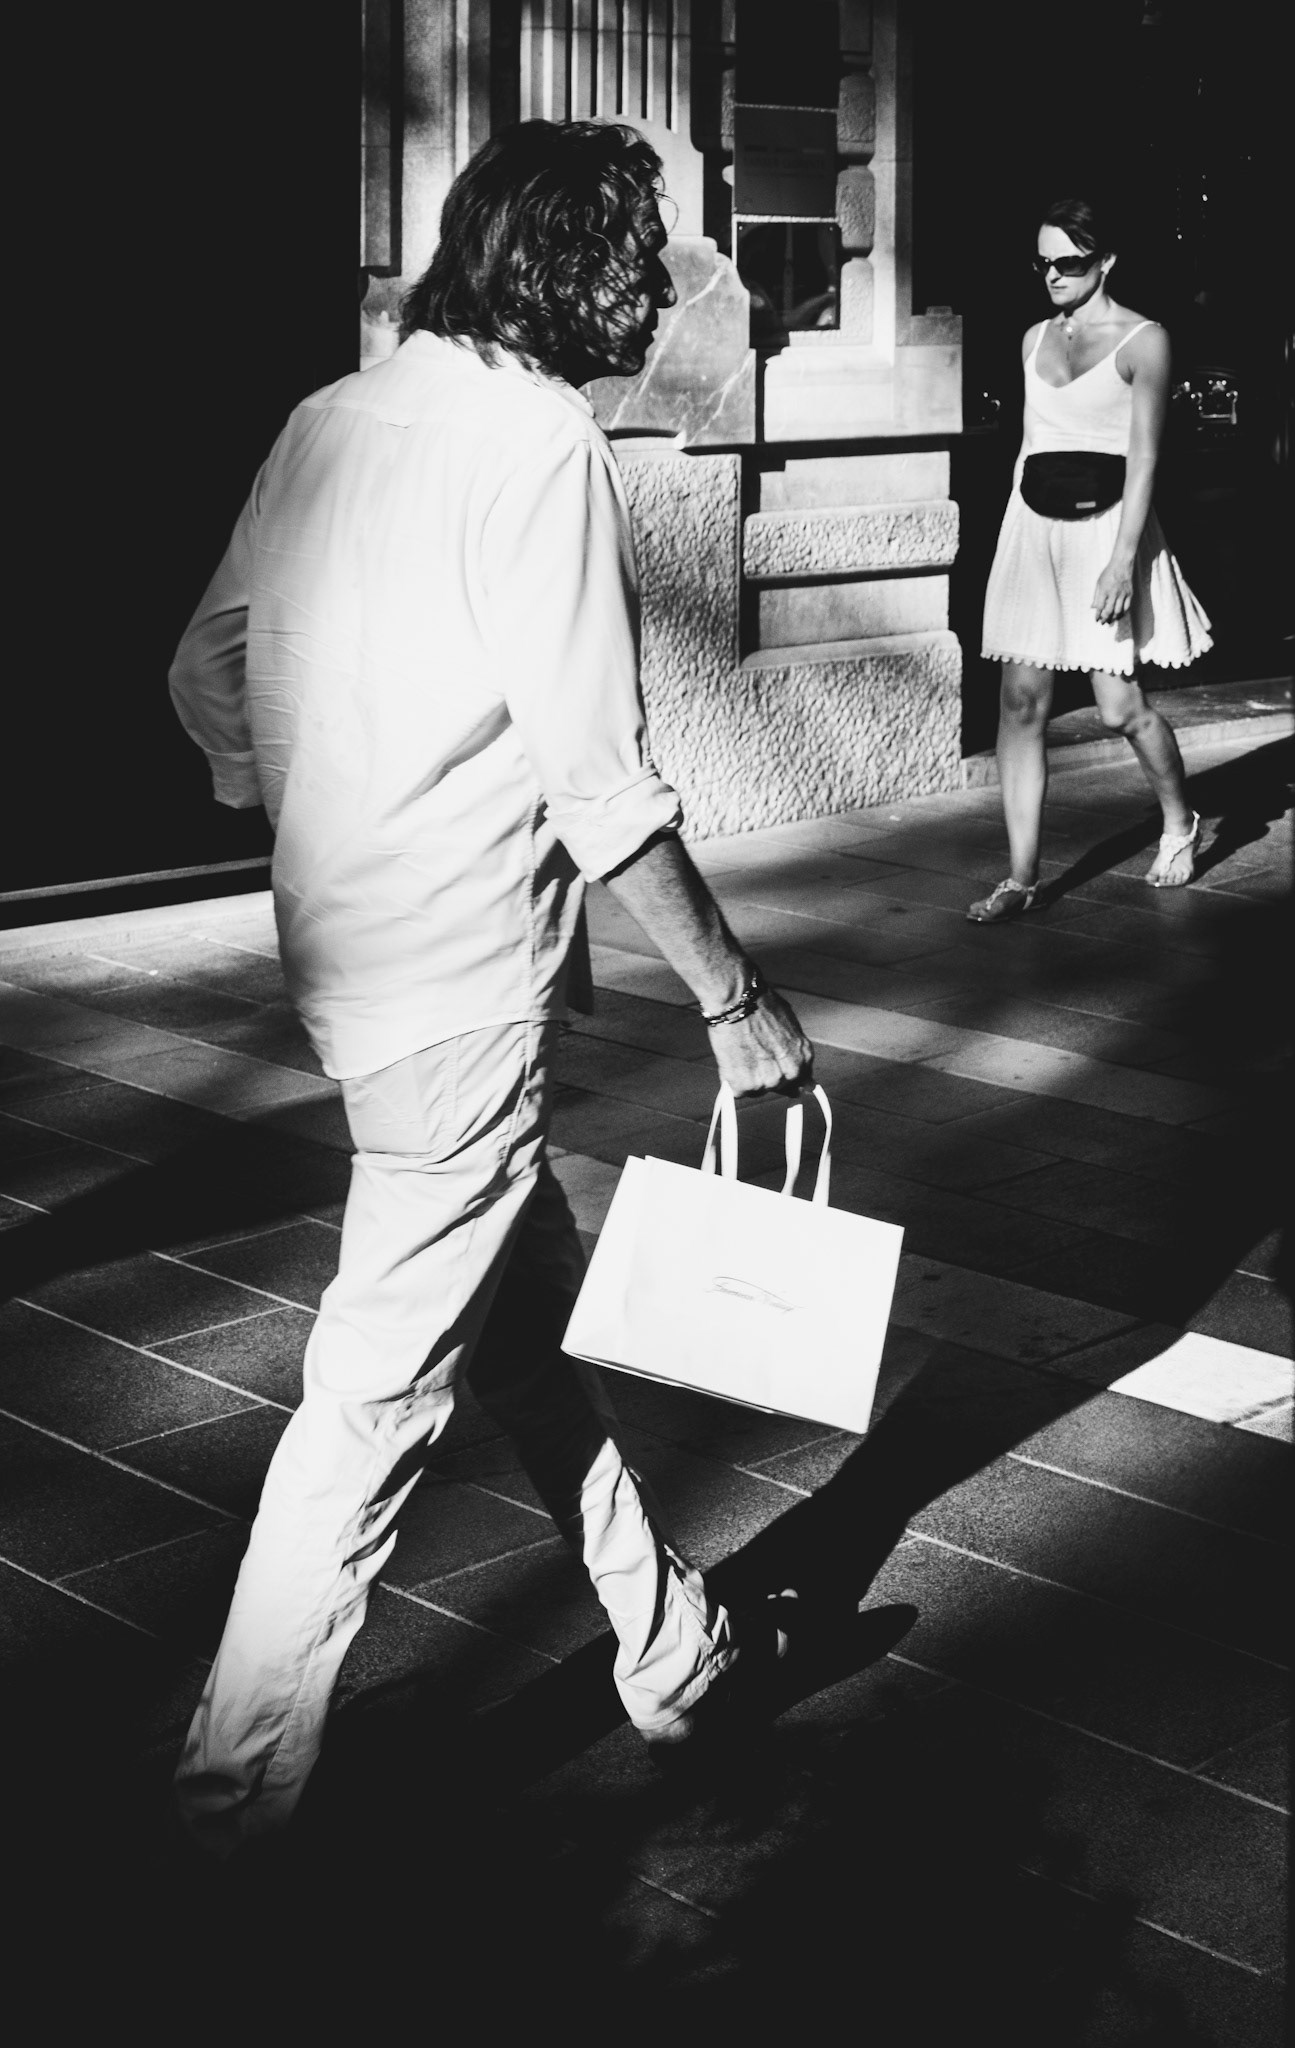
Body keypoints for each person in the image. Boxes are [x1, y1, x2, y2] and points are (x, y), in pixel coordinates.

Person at [166, 119, 814, 1858]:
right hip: (458, 974)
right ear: (568, 267)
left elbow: (205, 668)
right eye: (641, 258)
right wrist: (733, 1000)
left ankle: (672, 1644)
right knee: (372, 1399)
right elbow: (599, 783)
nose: (660, 290)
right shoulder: (537, 443)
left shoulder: (333, 413)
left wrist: (314, 799)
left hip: (352, 955)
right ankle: (231, 1795)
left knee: (518, 1330)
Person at [969, 196, 1213, 923]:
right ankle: (1021, 877)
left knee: (1117, 708)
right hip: (1033, 532)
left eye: (1068, 263)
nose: (1052, 275)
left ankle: (1180, 823)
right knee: (1020, 705)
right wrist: (1014, 541)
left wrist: (1121, 561)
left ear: (1104, 261)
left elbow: (1145, 459)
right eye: (1042, 262)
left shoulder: (1143, 340)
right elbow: (1030, 444)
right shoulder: (1031, 338)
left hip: (1107, 534)